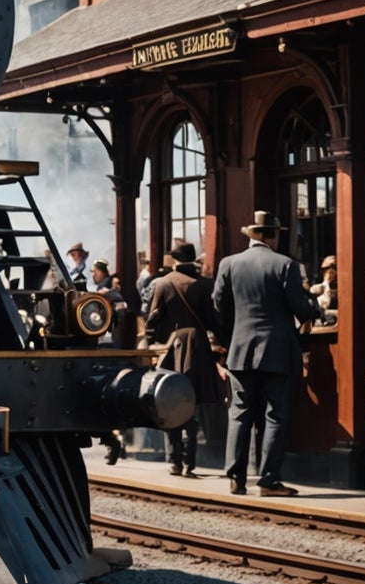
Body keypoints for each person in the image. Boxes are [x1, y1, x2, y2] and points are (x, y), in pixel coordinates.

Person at [211, 211, 321, 497]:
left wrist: (228, 340)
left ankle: (236, 477)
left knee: (239, 413)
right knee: (276, 415)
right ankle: (268, 481)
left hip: (240, 351)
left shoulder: (229, 263)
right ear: (270, 235)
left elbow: (218, 307)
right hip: (277, 351)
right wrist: (313, 310)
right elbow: (300, 307)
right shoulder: (286, 265)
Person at [144, 243, 221, 477]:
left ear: (174, 259)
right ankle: (190, 462)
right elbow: (214, 322)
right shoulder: (205, 284)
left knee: (169, 402)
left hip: (172, 349)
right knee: (194, 406)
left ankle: (175, 460)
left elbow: (153, 319)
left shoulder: (164, 283)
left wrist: (152, 343)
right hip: (199, 349)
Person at [309, 255, 338, 325]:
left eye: (327, 268)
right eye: (323, 270)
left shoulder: (333, 274)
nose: (324, 272)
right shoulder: (325, 278)